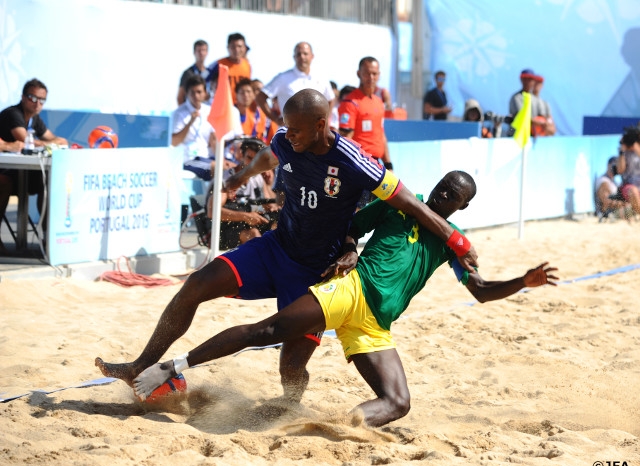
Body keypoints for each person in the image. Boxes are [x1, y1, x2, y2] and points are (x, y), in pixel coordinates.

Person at [95, 89, 479, 403]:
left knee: (291, 368)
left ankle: (287, 409)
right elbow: (270, 152)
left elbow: (409, 202)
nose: (287, 134)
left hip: (318, 274)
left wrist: (456, 241)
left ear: (320, 125)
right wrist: (239, 175)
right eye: (285, 126)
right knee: (195, 285)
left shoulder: (353, 160)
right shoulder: (286, 140)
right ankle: (140, 365)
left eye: (295, 129)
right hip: (277, 248)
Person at [128, 171, 558, 427]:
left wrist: (523, 280)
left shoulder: (452, 243)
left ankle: (328, 425)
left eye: (452, 196)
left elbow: (481, 292)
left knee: (398, 404)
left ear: (462, 207)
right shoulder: (398, 208)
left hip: (374, 324)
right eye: (442, 188)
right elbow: (351, 226)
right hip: (353, 290)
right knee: (269, 331)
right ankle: (173, 366)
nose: (442, 196)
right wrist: (351, 248)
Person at [0, 78, 68, 239]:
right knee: (4, 183)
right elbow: (27, 141)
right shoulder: (13, 114)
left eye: (42, 100)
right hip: (7, 172)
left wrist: (50, 142)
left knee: (47, 183)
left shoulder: (34, 118)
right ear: (23, 97)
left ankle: (48, 238)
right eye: (33, 98)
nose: (37, 103)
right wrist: (49, 143)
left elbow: (59, 140)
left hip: (21, 173)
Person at [206, 138, 278, 249]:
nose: (252, 164)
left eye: (256, 160)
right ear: (241, 156)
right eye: (249, 158)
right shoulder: (227, 180)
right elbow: (212, 212)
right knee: (254, 235)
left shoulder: (257, 178)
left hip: (247, 224)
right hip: (221, 231)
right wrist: (246, 216)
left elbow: (271, 203)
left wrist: (269, 185)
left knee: (277, 228)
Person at [256, 42, 335, 127]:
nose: (302, 57)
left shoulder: (321, 78)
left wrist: (325, 120)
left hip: (315, 133)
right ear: (294, 57)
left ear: (312, 56)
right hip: (289, 134)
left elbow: (330, 99)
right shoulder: (283, 78)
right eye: (298, 54)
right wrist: (275, 119)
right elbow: (260, 97)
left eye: (305, 54)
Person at [338, 57, 393, 172]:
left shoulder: (378, 102)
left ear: (379, 75)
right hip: (358, 165)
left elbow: (381, 135)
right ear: (359, 74)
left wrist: (388, 165)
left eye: (374, 73)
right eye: (367, 73)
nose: (371, 77)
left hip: (377, 165)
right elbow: (345, 138)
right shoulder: (350, 102)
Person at [171, 76, 217, 181]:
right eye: (192, 92)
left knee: (232, 167)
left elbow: (213, 140)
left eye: (199, 92)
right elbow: (174, 142)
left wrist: (221, 159)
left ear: (205, 93)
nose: (196, 96)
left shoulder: (209, 111)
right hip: (189, 160)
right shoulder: (179, 113)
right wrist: (190, 122)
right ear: (187, 94)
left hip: (206, 158)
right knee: (216, 168)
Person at [208, 33, 251, 105]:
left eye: (239, 46)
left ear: (244, 48)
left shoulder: (247, 65)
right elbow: (202, 81)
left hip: (240, 106)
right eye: (233, 47)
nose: (236, 50)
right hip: (222, 105)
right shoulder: (218, 64)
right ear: (228, 47)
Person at [508, 69, 548, 137]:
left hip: (532, 135)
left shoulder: (536, 100)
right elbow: (520, 117)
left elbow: (543, 118)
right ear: (521, 80)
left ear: (534, 81)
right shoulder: (516, 97)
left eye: (530, 79)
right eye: (525, 79)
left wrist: (543, 123)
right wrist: (536, 122)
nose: (527, 81)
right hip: (516, 135)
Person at [177, 39, 211, 106]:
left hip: (206, 110)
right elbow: (180, 97)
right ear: (194, 52)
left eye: (203, 50)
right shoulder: (188, 73)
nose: (201, 53)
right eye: (199, 50)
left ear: (207, 52)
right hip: (191, 111)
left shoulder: (210, 73)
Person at [594, 156, 627, 221]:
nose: (617, 168)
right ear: (608, 165)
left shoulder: (615, 182)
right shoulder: (603, 181)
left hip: (616, 212)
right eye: (616, 165)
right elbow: (606, 201)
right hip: (609, 214)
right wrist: (623, 204)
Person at [617, 126, 640, 217]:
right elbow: (620, 170)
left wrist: (636, 148)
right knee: (633, 191)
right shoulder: (624, 152)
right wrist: (621, 153)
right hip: (629, 185)